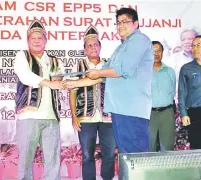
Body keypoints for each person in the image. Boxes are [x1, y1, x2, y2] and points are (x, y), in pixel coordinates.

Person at [66, 7, 154, 153]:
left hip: (132, 108)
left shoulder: (140, 40)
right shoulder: (120, 49)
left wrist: (98, 73)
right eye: (118, 22)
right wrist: (74, 83)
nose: (120, 25)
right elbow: (101, 76)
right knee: (127, 155)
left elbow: (122, 70)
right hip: (119, 109)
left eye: (125, 21)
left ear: (136, 23)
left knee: (137, 156)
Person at [14, 20, 64, 180]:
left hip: (51, 118)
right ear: (28, 40)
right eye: (33, 38)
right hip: (29, 117)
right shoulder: (22, 56)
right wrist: (50, 83)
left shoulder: (55, 61)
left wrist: (65, 84)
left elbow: (60, 80)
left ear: (45, 40)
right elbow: (26, 76)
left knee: (53, 162)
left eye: (40, 38)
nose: (36, 41)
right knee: (25, 162)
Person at [68, 25, 116, 180]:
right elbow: (73, 90)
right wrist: (74, 116)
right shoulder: (79, 65)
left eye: (95, 44)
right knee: (87, 155)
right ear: (85, 49)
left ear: (100, 47)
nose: (93, 47)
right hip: (85, 117)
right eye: (89, 45)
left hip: (108, 117)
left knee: (109, 154)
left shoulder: (109, 65)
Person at [149, 41, 176, 151]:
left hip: (167, 113)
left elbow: (173, 91)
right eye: (153, 51)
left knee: (167, 147)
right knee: (149, 147)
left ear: (162, 52)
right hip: (148, 114)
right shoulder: (143, 72)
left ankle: (167, 169)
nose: (156, 53)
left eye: (159, 50)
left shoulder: (170, 72)